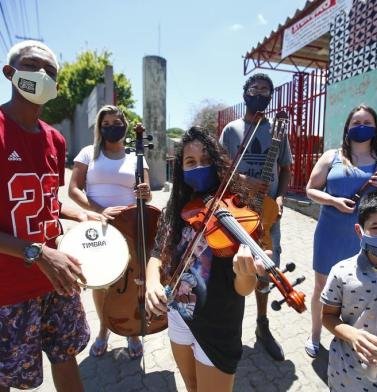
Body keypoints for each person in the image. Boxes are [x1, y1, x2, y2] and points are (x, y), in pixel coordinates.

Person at [0, 41, 101, 391]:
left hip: (57, 277)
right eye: (33, 66)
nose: (42, 76)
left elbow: (47, 201)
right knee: (5, 376)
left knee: (66, 355)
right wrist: (39, 253)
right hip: (8, 291)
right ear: (10, 73)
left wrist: (81, 215)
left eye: (51, 73)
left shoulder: (55, 141)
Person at [145, 126, 265, 392]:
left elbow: (244, 289)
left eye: (206, 161)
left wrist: (247, 274)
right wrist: (152, 283)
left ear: (219, 163)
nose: (199, 166)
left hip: (218, 325)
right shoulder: (175, 209)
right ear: (181, 169)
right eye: (191, 162)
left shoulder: (240, 209)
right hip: (178, 315)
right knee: (191, 386)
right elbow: (157, 253)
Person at [305, 104, 377, 358]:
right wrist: (333, 201)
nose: (361, 127)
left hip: (369, 236)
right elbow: (311, 189)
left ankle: (357, 337)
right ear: (347, 127)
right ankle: (315, 335)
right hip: (330, 231)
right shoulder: (332, 156)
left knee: (361, 286)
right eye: (356, 123)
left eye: (366, 122)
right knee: (322, 286)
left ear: (375, 127)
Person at [219, 73, 292, 361]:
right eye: (255, 88)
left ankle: (262, 325)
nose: (259, 92)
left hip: (268, 216)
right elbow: (220, 171)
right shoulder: (231, 130)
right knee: (233, 269)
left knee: (265, 269)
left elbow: (285, 168)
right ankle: (230, 328)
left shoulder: (277, 130)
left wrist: (283, 196)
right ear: (245, 92)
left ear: (270, 97)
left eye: (265, 90)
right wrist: (244, 180)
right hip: (237, 212)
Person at [68, 104, 151, 358]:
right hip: (98, 226)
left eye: (117, 123)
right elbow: (73, 189)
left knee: (131, 279)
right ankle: (104, 330)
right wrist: (98, 211)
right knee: (101, 283)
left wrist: (145, 193)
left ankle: (131, 331)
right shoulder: (87, 154)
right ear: (99, 128)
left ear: (125, 125)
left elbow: (146, 194)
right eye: (106, 124)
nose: (112, 128)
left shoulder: (135, 156)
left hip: (129, 225)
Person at [321, 189, 377, 391]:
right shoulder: (342, 272)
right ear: (359, 231)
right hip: (347, 377)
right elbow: (328, 316)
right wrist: (352, 335)